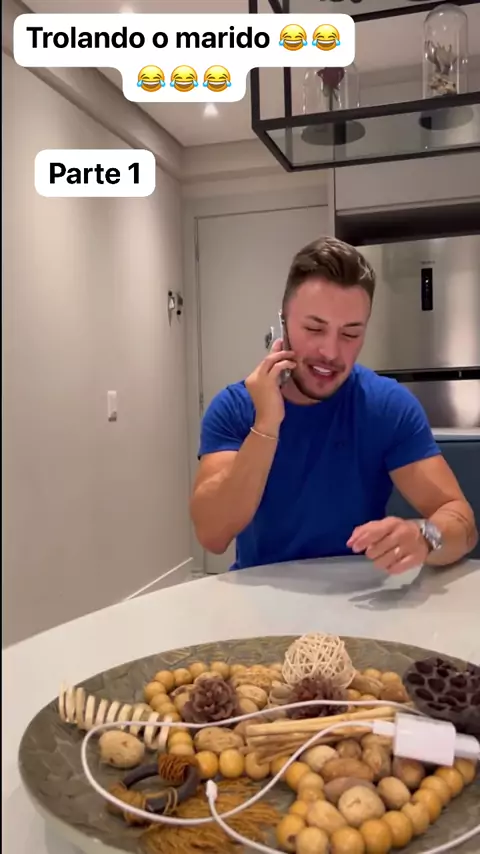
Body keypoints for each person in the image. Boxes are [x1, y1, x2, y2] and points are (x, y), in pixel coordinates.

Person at [190, 236, 478, 574]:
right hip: (257, 594)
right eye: (314, 328)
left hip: (359, 596)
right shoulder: (235, 407)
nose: (330, 352)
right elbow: (212, 534)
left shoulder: (386, 406)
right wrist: (266, 424)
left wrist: (425, 536)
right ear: (283, 322)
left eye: (350, 334)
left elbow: (461, 522)